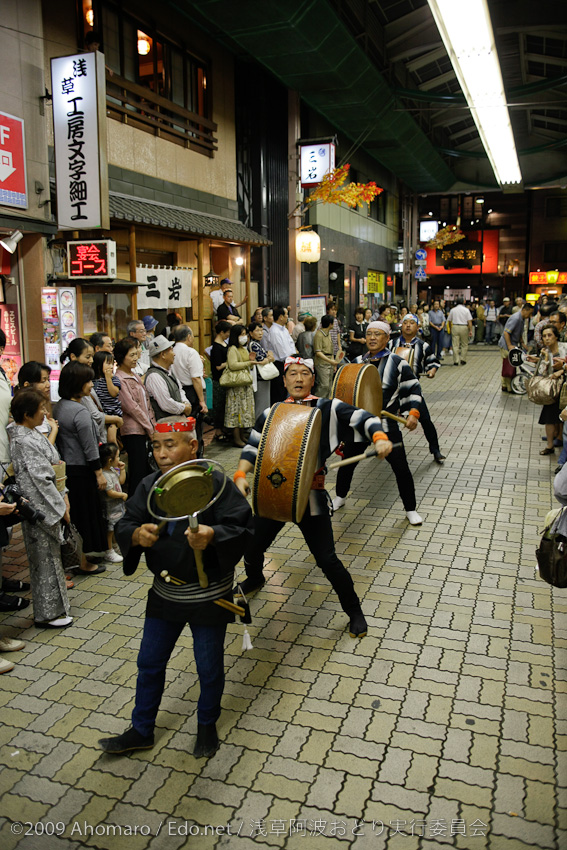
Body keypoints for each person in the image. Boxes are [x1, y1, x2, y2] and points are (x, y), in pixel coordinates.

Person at [99, 416, 253, 757]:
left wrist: (213, 535)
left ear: (193, 446)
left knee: (208, 667)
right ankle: (141, 730)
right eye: (156, 445)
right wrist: (136, 535)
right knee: (149, 662)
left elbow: (244, 528)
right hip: (166, 592)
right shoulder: (150, 484)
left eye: (171, 444)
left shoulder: (216, 483)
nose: (162, 453)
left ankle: (206, 726)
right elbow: (127, 521)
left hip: (209, 596)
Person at [233, 357, 393, 638]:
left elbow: (364, 417)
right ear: (283, 381)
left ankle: (354, 611)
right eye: (292, 374)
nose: (297, 379)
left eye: (303, 374)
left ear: (312, 380)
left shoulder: (327, 408)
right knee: (251, 545)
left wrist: (379, 436)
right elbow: (252, 446)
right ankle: (256, 577)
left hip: (312, 495)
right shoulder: (271, 412)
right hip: (273, 492)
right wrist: (240, 475)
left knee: (327, 560)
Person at [333, 321, 424, 526]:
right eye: (369, 334)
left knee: (401, 468)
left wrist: (413, 413)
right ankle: (340, 496)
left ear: (387, 338)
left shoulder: (398, 362)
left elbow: (413, 389)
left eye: (378, 334)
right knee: (348, 463)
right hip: (359, 423)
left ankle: (410, 508)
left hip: (386, 424)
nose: (372, 338)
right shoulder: (356, 361)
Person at [10, 389, 72, 628]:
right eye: (40, 410)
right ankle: (47, 614)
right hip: (40, 506)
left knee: (49, 559)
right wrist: (60, 505)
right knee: (44, 561)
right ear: (27, 415)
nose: (45, 413)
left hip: (49, 498)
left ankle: (55, 610)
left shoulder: (28, 434)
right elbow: (40, 480)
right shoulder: (24, 440)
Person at [54, 362, 108, 572]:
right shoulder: (79, 411)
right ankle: (87, 563)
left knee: (75, 516)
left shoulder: (59, 406)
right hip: (83, 470)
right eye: (87, 381)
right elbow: (90, 447)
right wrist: (99, 473)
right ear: (77, 383)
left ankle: (78, 559)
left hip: (67, 469)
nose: (91, 385)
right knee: (87, 515)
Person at [389, 314, 445, 464]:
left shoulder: (423, 345)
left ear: (417, 327)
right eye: (405, 322)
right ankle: (382, 446)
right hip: (392, 391)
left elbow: (432, 362)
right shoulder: (391, 344)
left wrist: (432, 370)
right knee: (385, 420)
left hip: (412, 390)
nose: (408, 325)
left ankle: (436, 450)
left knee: (425, 420)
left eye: (412, 323)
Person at [115, 338, 156, 495]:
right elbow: (132, 407)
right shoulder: (119, 378)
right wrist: (150, 428)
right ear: (121, 356)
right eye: (131, 355)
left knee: (144, 469)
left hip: (144, 428)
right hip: (133, 430)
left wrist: (152, 425)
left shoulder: (133, 375)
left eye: (136, 354)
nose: (135, 358)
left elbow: (146, 403)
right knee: (138, 471)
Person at [526, 326, 567, 455]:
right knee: (549, 416)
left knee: (562, 415)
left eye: (549, 335)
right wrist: (544, 359)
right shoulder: (545, 352)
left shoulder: (564, 348)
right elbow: (543, 371)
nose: (547, 338)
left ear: (556, 336)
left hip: (564, 386)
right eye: (544, 336)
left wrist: (561, 370)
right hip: (551, 388)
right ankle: (550, 445)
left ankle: (560, 439)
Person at [171, 325, 207, 456]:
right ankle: (196, 456)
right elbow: (196, 378)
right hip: (192, 392)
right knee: (195, 428)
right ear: (188, 337)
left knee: (183, 427)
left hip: (177, 392)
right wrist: (202, 401)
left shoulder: (171, 350)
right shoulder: (191, 352)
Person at [145, 336, 192, 422]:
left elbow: (180, 390)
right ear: (162, 355)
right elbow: (166, 404)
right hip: (165, 425)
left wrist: (186, 403)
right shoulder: (154, 376)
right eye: (171, 350)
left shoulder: (169, 372)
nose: (174, 354)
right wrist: (184, 408)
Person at [224, 324, 256, 447]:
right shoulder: (232, 349)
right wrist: (248, 362)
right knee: (236, 412)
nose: (244, 337)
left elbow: (248, 364)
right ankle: (236, 438)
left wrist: (251, 361)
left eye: (245, 334)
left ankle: (242, 436)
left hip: (244, 384)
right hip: (237, 385)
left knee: (243, 412)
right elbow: (233, 365)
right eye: (242, 334)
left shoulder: (243, 348)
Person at [16, 361, 58, 445]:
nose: (48, 385)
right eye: (43, 381)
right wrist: (54, 428)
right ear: (27, 385)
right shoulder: (32, 409)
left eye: (48, 380)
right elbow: (45, 449)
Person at [99, 442, 127, 563]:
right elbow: (110, 492)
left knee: (116, 526)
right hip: (110, 506)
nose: (119, 459)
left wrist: (122, 469)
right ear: (110, 460)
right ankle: (109, 550)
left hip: (118, 506)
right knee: (110, 529)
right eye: (117, 456)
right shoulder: (104, 474)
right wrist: (122, 495)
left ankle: (115, 546)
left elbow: (121, 481)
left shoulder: (112, 470)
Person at [498, 302, 534, 392]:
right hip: (506, 345)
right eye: (530, 313)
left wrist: (522, 343)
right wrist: (509, 345)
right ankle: (509, 386)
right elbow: (506, 332)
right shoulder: (516, 318)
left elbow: (518, 333)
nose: (530, 316)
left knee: (508, 365)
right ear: (525, 310)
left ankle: (505, 385)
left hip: (513, 344)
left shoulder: (521, 319)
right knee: (509, 365)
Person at [92, 351, 122, 444]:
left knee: (111, 440)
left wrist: (108, 378)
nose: (111, 366)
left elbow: (114, 393)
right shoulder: (93, 381)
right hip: (101, 414)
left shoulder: (114, 379)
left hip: (112, 413)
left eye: (112, 364)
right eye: (108, 363)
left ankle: (115, 456)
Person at [248, 321, 275, 420]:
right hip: (260, 377)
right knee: (261, 405)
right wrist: (269, 358)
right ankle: (259, 428)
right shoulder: (253, 345)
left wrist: (269, 357)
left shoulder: (258, 344)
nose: (260, 333)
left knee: (265, 404)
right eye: (257, 330)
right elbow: (262, 360)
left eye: (261, 330)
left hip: (264, 377)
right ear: (251, 333)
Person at [269, 306, 297, 403]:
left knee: (287, 392)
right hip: (280, 364)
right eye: (286, 315)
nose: (287, 317)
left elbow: (291, 345)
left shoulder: (284, 329)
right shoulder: (274, 331)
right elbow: (282, 353)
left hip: (289, 362)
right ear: (280, 317)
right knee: (279, 393)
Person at [209, 320, 231, 442]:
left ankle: (223, 429)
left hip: (225, 380)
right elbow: (217, 366)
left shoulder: (223, 343)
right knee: (219, 407)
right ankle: (217, 432)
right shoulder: (216, 347)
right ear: (221, 332)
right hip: (219, 381)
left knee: (224, 406)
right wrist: (230, 362)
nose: (228, 335)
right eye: (227, 332)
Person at [313, 315, 342, 398]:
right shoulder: (319, 335)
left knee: (329, 386)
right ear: (330, 324)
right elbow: (318, 352)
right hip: (322, 363)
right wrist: (331, 361)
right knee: (324, 385)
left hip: (330, 362)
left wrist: (333, 363)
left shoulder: (328, 334)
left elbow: (331, 349)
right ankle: (318, 403)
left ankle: (326, 404)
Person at [447, 298, 473, 366]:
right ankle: (463, 359)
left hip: (455, 326)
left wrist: (450, 328)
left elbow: (449, 320)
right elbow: (469, 321)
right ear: (463, 302)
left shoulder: (453, 310)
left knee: (455, 345)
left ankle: (456, 360)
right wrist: (470, 330)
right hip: (464, 327)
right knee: (464, 344)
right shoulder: (466, 310)